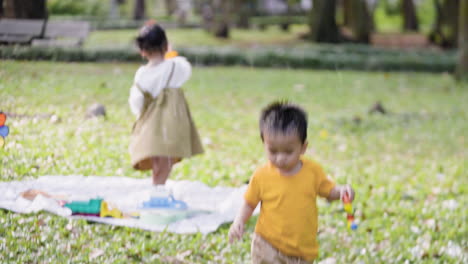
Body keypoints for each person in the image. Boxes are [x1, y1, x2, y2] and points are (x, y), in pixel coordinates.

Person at [228, 101, 355, 264]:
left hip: (301, 252)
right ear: (264, 144)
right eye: (273, 151)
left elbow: (329, 192)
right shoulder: (261, 176)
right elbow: (249, 202)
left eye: (288, 151)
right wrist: (239, 221)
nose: (280, 158)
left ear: (303, 147)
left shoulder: (312, 172)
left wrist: (343, 191)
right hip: (267, 245)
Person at [128, 21, 204, 187]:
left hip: (151, 125)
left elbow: (136, 100)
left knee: (156, 158)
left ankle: (157, 185)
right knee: (167, 159)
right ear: (165, 45)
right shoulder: (174, 67)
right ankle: (159, 187)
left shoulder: (141, 74)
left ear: (142, 51)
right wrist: (171, 54)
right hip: (171, 123)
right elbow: (186, 69)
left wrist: (140, 114)